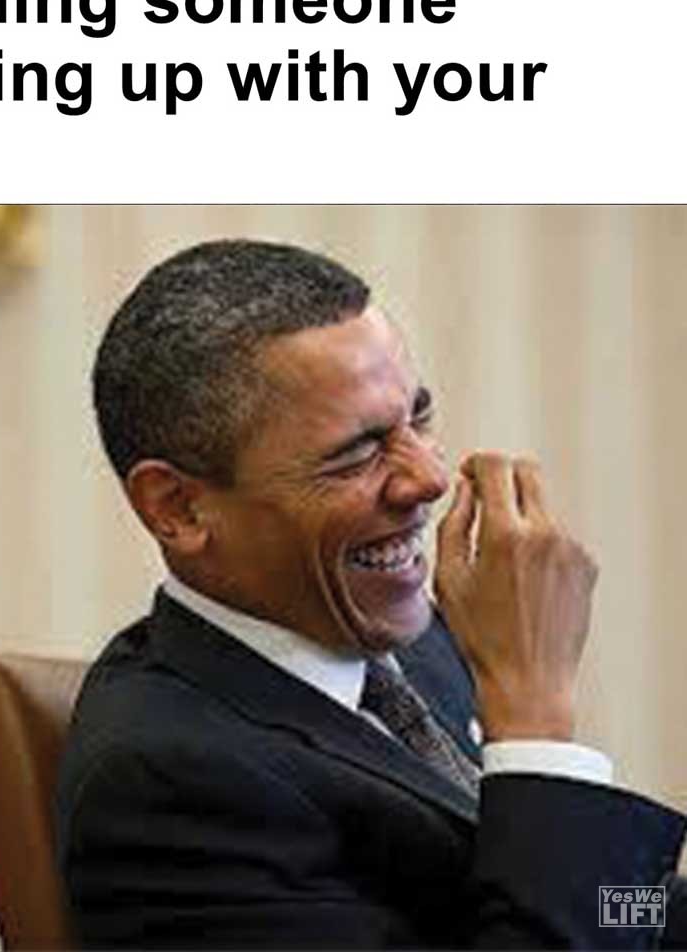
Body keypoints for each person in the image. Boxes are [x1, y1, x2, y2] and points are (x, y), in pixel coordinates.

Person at [56, 240, 686, 949]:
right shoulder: (169, 787)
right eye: (356, 451)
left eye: (418, 419)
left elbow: (612, 913)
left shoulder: (414, 653)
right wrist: (536, 722)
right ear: (178, 507)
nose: (428, 479)